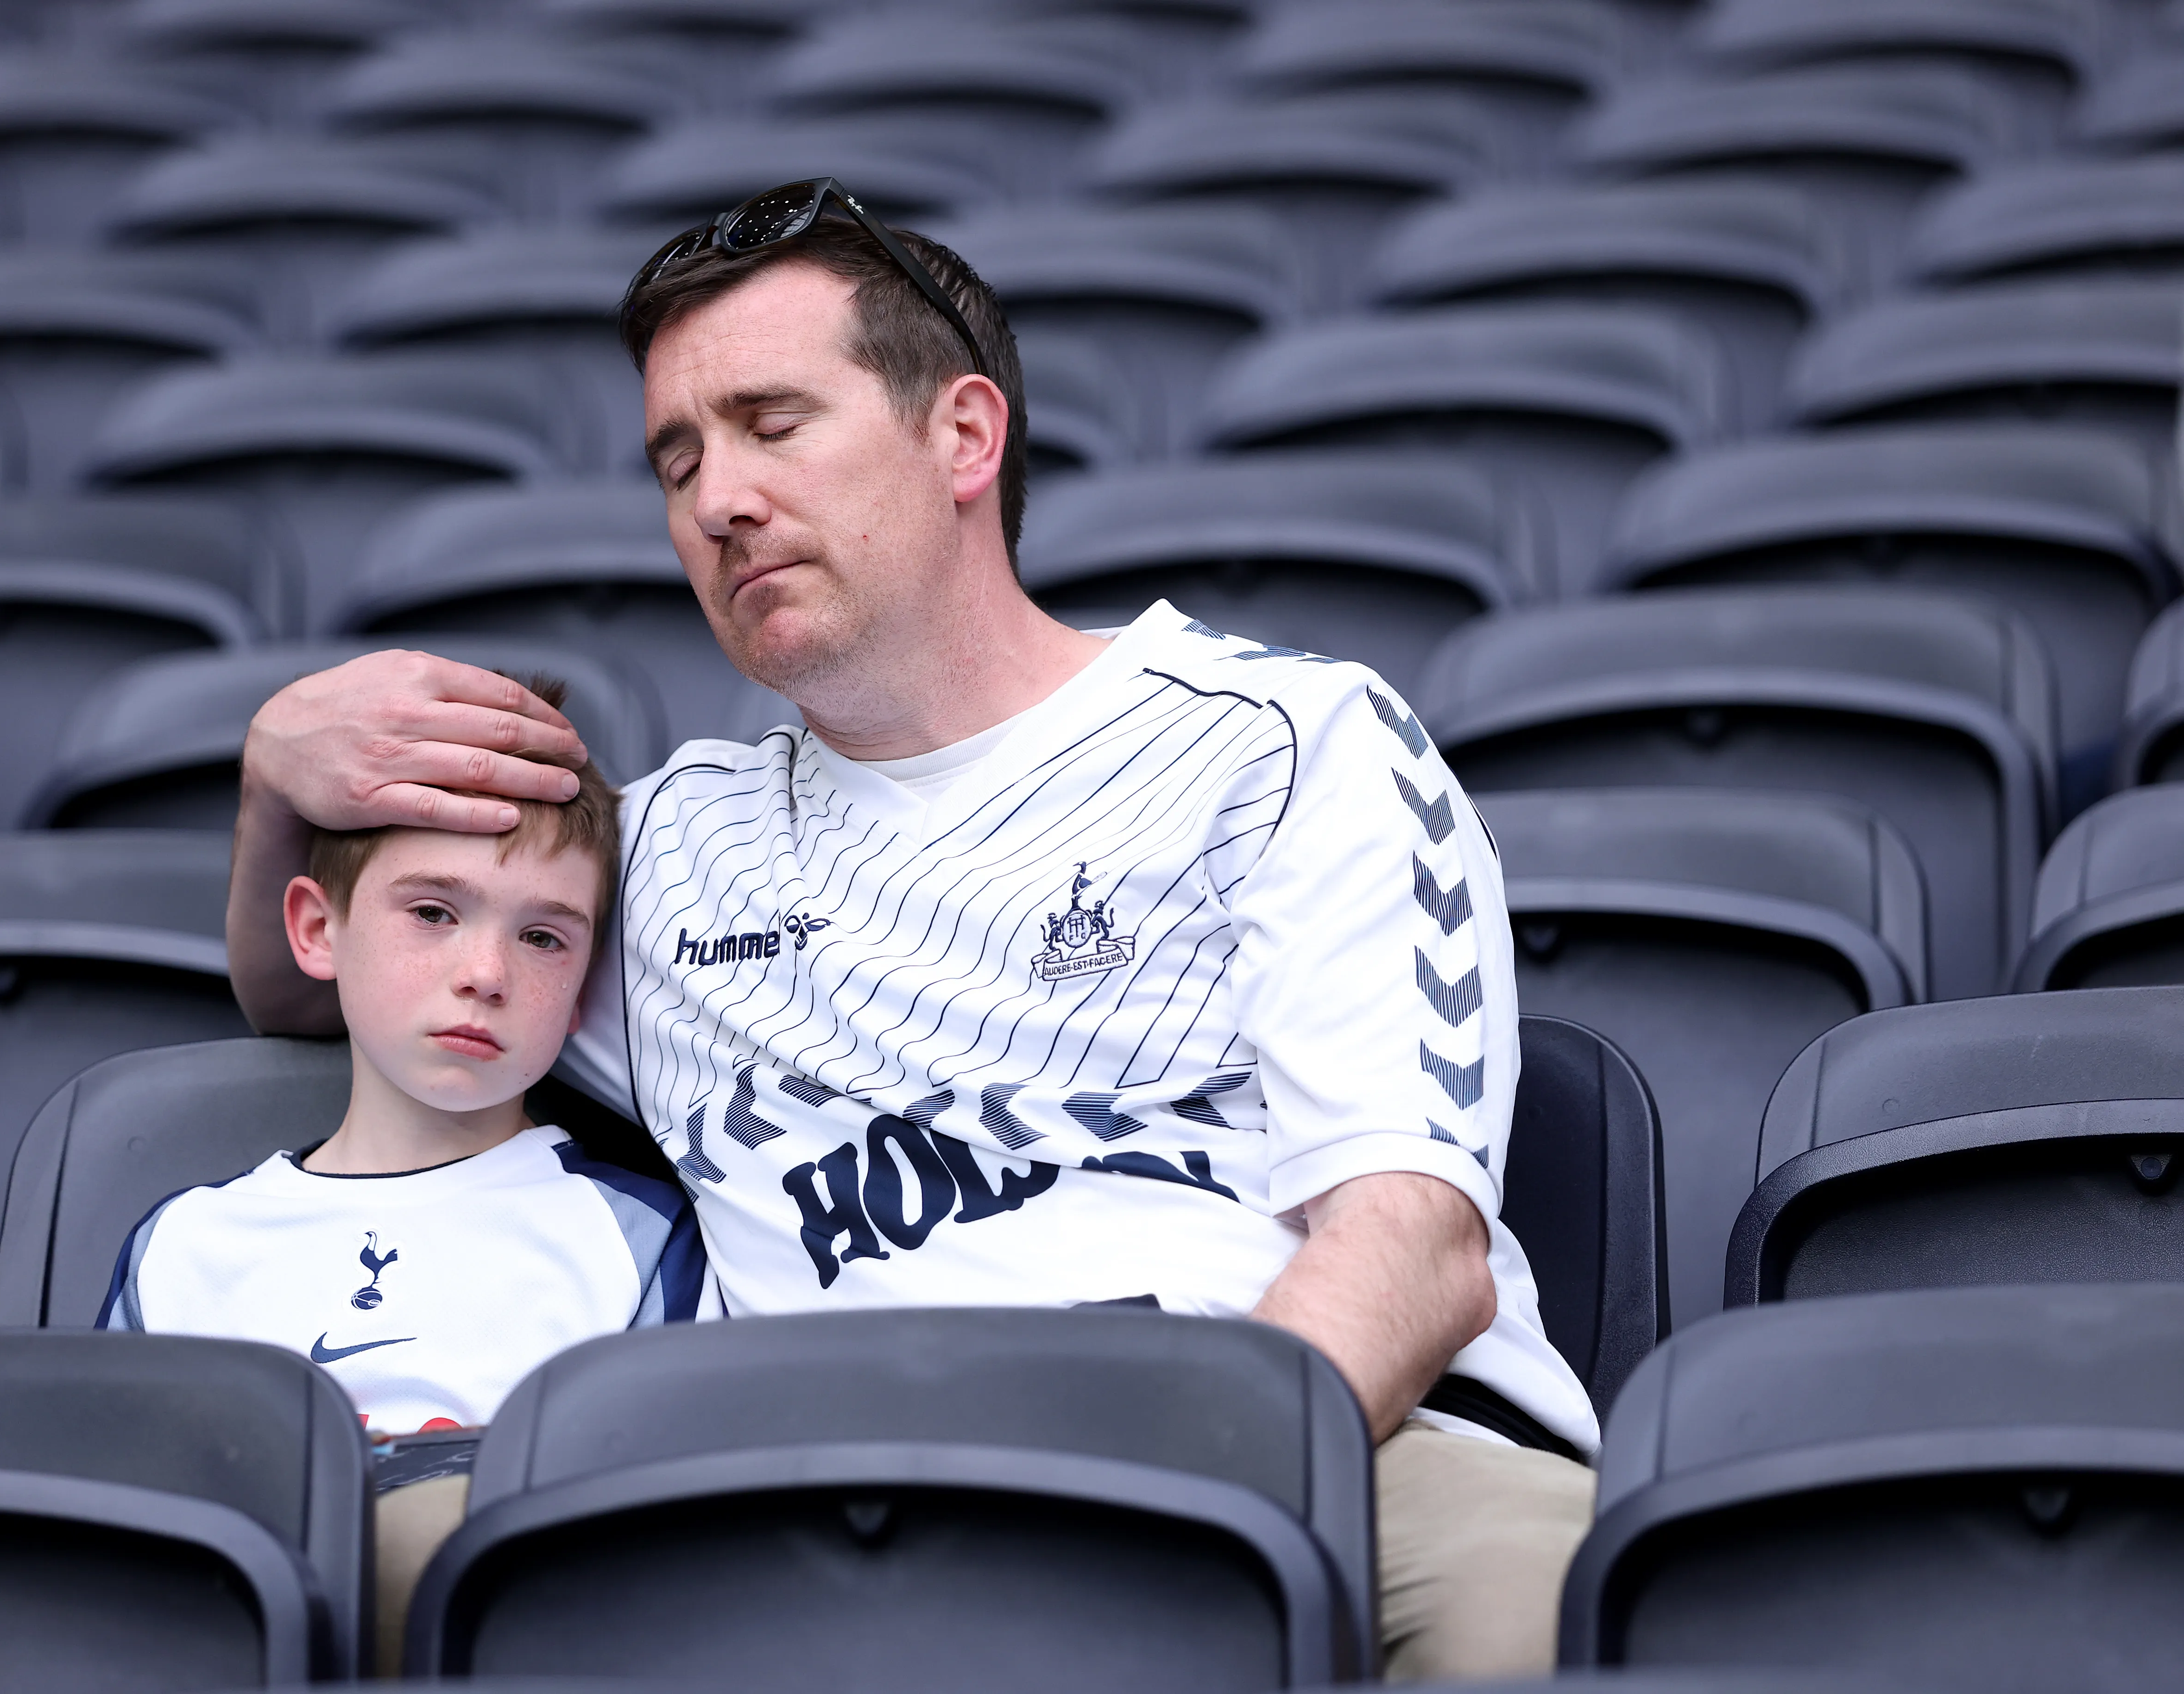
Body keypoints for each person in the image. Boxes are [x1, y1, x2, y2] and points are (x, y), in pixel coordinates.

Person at [226, 180, 1596, 1680]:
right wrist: (275, 772)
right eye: (676, 459)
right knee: (378, 1557)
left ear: (964, 435)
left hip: (1315, 1446)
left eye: (772, 423)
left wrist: (1167, 1502)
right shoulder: (670, 846)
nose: (715, 499)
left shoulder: (1283, 740)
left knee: (1522, 1607)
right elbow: (334, 993)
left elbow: (1413, 1247)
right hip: (828, 1481)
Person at [110, 678, 705, 1663]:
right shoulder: (182, 1242)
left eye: (544, 936)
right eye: (433, 912)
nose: (486, 971)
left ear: (591, 974)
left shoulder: (640, 1237)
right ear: (315, 929)